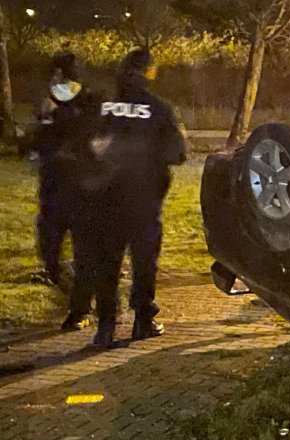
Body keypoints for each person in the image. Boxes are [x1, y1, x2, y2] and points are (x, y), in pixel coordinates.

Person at [83, 49, 187, 347]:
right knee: (144, 262)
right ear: (149, 73)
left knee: (106, 263)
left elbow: (83, 146)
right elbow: (178, 153)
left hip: (104, 199)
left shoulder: (101, 106)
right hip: (143, 200)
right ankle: (143, 320)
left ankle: (105, 326)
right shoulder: (160, 109)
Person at [31, 53, 104, 332]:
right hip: (52, 194)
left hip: (84, 192)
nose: (58, 81)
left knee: (85, 254)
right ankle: (76, 292)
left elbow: (90, 138)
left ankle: (80, 310)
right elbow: (37, 143)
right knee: (50, 254)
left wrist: (57, 116)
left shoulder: (91, 104)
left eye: (63, 76)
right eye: (55, 76)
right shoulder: (48, 107)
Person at [30, 53, 82, 290]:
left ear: (58, 73)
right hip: (81, 177)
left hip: (56, 176)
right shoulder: (87, 97)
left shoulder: (52, 101)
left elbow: (40, 138)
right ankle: (78, 275)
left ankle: (54, 271)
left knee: (51, 227)